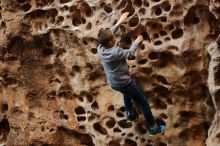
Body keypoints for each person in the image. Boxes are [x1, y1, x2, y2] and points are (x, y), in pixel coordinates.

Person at [97, 12, 166, 135]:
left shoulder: (100, 48)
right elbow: (129, 54)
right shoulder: (115, 52)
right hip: (124, 83)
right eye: (113, 38)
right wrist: (137, 41)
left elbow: (108, 35)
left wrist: (119, 21)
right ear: (110, 43)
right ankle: (153, 127)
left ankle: (130, 114)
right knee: (143, 102)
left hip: (114, 83)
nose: (115, 37)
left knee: (126, 93)